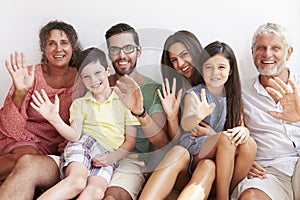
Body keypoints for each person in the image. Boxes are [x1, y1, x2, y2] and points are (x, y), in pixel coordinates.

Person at [30, 47, 139, 200]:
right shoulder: (80, 104)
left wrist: (112, 158)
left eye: (97, 73)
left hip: (108, 154)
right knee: (77, 182)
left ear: (107, 70)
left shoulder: (125, 100)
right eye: (86, 76)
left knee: (95, 192)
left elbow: (131, 141)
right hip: (85, 143)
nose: (93, 80)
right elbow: (74, 135)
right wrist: (54, 119)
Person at [0, 20, 84, 183]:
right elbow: (8, 126)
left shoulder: (82, 79)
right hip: (22, 136)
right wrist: (20, 92)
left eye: (64, 43)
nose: (58, 49)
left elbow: (88, 113)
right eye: (51, 43)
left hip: (55, 144)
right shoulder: (30, 75)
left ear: (72, 48)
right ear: (44, 50)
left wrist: (69, 137)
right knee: (24, 157)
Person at [140, 30, 216, 200]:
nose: (180, 63)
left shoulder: (215, 82)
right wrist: (172, 116)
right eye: (174, 60)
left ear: (195, 52)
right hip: (185, 166)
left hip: (212, 166)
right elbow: (177, 142)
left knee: (208, 165)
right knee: (178, 152)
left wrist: (213, 135)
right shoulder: (177, 92)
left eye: (184, 55)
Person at [101, 22, 172, 200]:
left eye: (128, 48)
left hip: (132, 161)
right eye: (115, 49)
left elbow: (162, 142)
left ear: (138, 51)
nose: (122, 55)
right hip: (96, 153)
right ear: (109, 54)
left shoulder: (154, 90)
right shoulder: (98, 83)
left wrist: (140, 112)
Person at [231, 23, 300, 200]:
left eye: (275, 48)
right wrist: (244, 161)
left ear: (289, 52)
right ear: (253, 51)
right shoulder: (241, 91)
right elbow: (231, 132)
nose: (267, 54)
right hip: (268, 172)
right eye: (261, 48)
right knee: (250, 197)